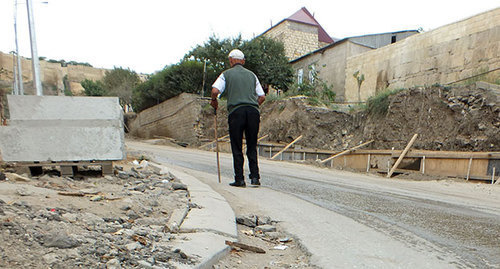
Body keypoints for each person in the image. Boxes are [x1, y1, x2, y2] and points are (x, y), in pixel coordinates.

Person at [210, 49, 266, 187]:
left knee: (237, 146)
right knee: (252, 145)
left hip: (236, 112)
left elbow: (215, 91)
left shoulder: (226, 74)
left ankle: (239, 179)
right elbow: (262, 96)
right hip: (253, 112)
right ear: (243, 61)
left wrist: (214, 101)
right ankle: (255, 177)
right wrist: (253, 105)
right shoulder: (252, 75)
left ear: (231, 60)